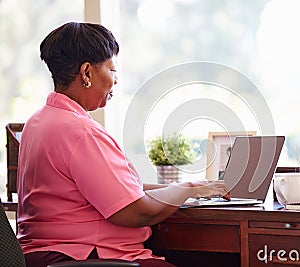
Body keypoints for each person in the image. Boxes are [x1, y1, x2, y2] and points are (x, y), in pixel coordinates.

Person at [17, 22, 228, 267]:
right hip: (90, 257)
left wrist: (184, 188)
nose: (115, 81)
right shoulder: (80, 131)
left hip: (47, 256)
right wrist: (189, 189)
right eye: (112, 69)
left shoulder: (38, 122)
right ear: (87, 73)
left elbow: (122, 190)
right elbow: (135, 211)